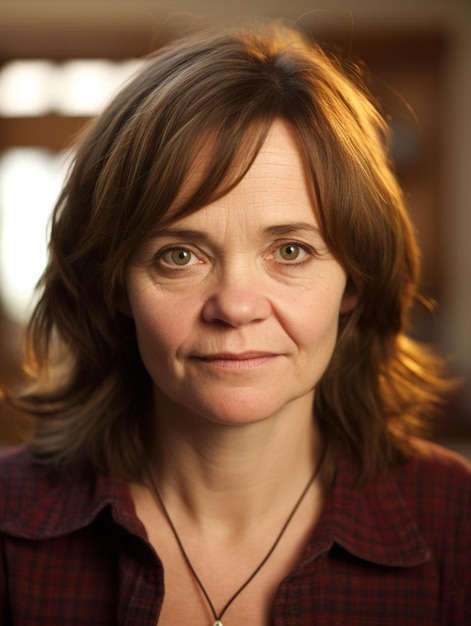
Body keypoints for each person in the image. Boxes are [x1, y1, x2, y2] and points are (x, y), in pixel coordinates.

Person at [0, 21, 470, 626]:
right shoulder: (10, 523)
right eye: (180, 255)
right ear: (115, 284)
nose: (236, 306)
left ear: (354, 279)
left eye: (291, 251)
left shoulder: (455, 522)